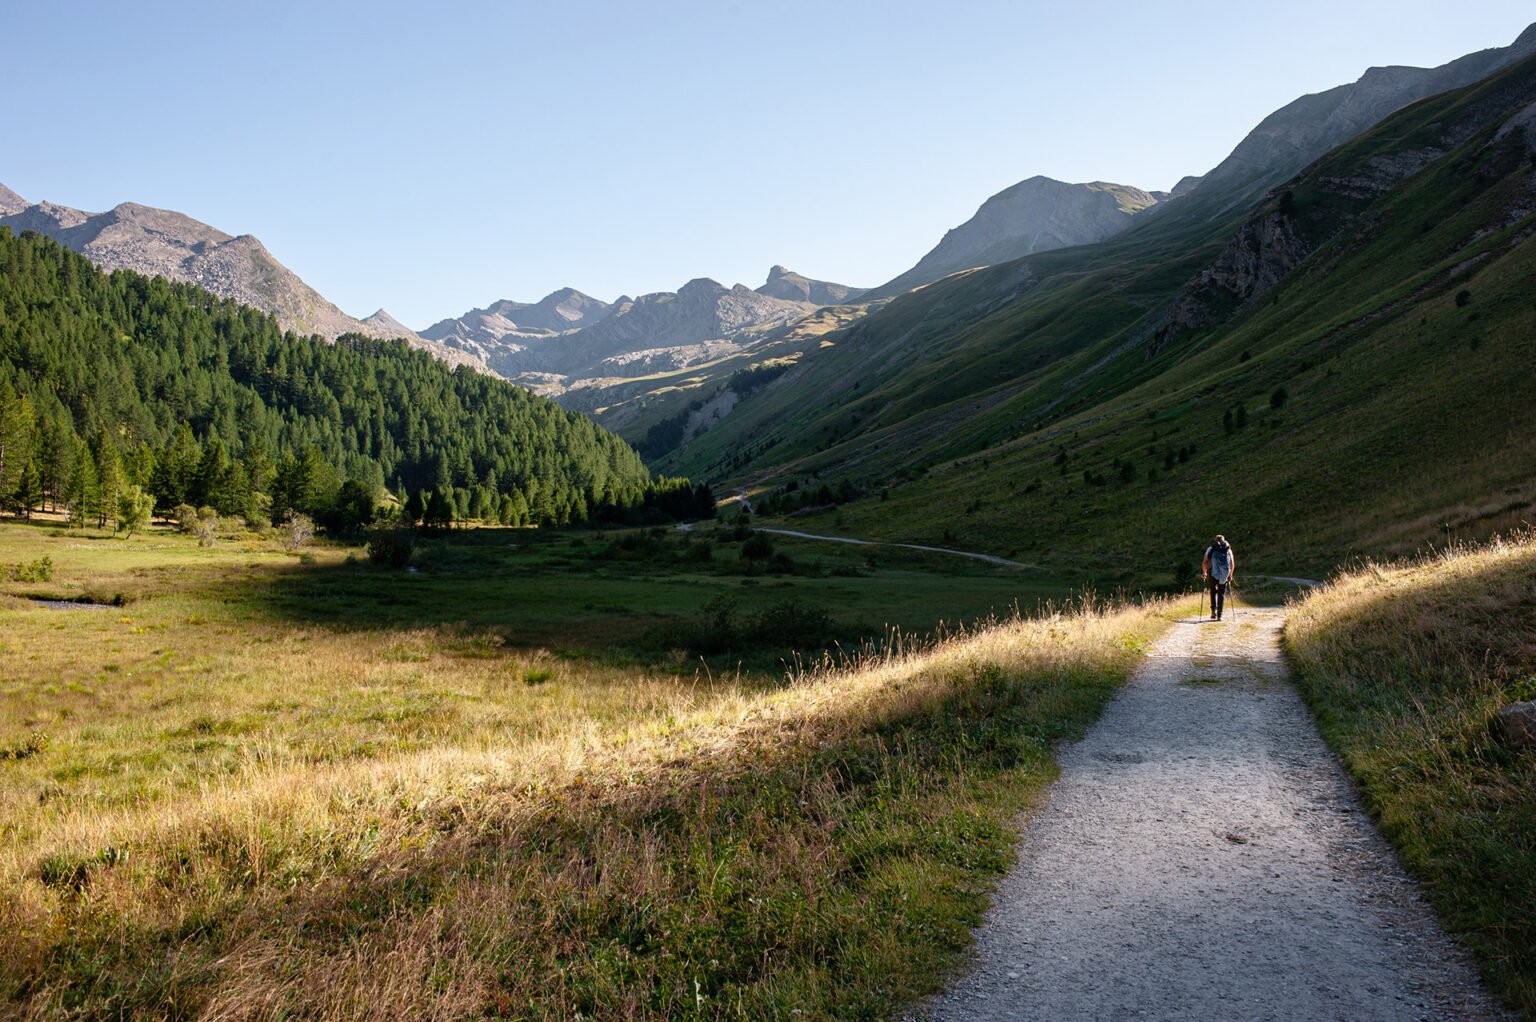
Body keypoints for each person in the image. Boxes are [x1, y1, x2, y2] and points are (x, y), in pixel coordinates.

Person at [1202, 534, 1236, 620]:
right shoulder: (1228, 550)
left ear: (1216, 540)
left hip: (1213, 572)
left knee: (1213, 591)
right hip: (1224, 573)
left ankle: (1213, 611)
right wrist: (1230, 575)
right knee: (1221, 593)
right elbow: (1232, 564)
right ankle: (1219, 615)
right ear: (1224, 540)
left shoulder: (1211, 548)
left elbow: (1205, 562)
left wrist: (1204, 572)